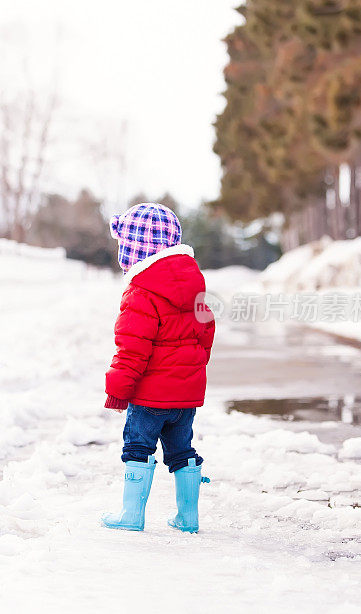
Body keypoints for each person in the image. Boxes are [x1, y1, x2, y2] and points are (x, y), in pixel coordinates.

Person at [102, 203, 214, 533]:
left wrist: (118, 391)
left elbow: (132, 348)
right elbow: (207, 330)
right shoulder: (195, 285)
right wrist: (192, 370)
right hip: (185, 398)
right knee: (182, 451)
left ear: (133, 248)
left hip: (149, 398)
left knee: (138, 449)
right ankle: (188, 517)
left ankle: (131, 515)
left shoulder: (141, 293)